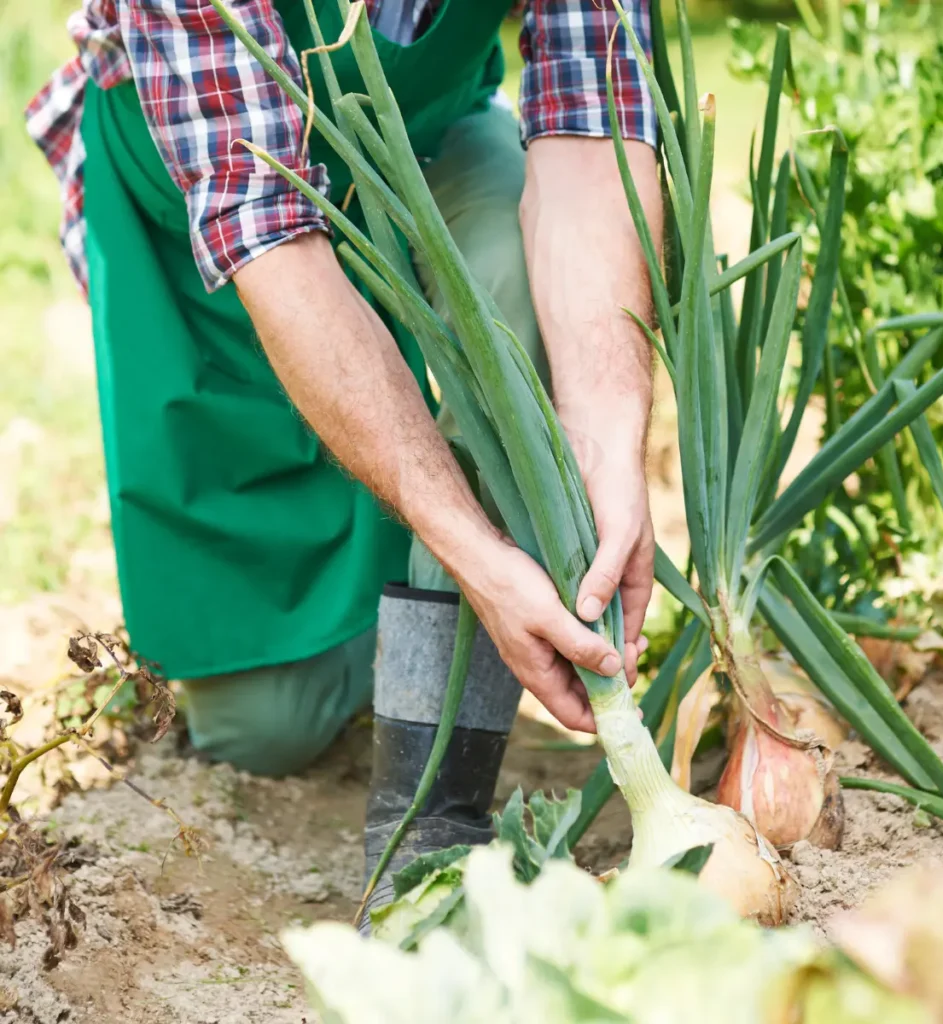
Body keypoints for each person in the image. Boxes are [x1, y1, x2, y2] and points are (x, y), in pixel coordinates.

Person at [27, 0, 661, 921]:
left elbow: (593, 132)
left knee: (509, 290)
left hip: (424, 145)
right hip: (214, 207)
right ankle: (414, 591)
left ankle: (431, 812)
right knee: (268, 725)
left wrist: (607, 436)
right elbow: (272, 239)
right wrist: (471, 553)